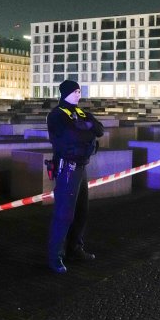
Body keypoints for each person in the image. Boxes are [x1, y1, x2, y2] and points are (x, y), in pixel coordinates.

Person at [46, 80, 104, 274]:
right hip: (67, 167)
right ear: (65, 93)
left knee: (81, 211)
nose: (79, 94)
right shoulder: (56, 115)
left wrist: (86, 125)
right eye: (75, 91)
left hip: (81, 165)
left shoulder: (81, 113)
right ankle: (55, 257)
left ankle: (75, 249)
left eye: (80, 91)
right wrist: (87, 130)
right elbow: (73, 137)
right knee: (64, 214)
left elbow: (99, 130)